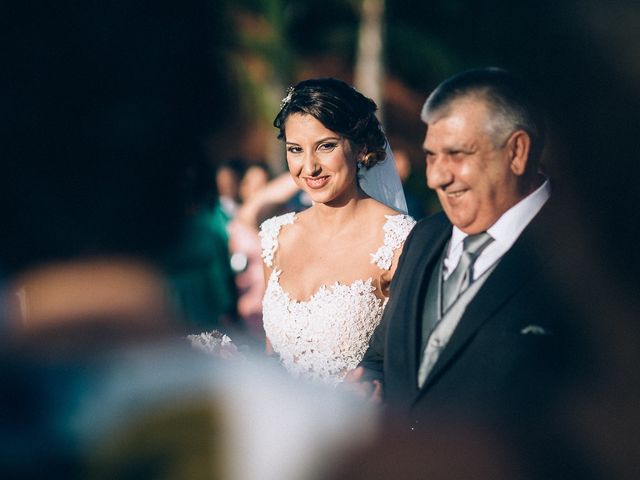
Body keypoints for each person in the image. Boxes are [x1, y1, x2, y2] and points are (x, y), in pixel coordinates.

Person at [355, 68, 589, 432]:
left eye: (456, 154)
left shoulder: (584, 262)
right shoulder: (424, 238)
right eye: (431, 156)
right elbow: (380, 357)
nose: (436, 177)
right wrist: (368, 384)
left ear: (517, 151)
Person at [260, 78, 416, 386]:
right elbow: (271, 356)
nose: (309, 167)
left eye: (326, 146)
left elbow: (408, 360)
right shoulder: (275, 236)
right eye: (295, 149)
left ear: (359, 147)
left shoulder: (399, 240)